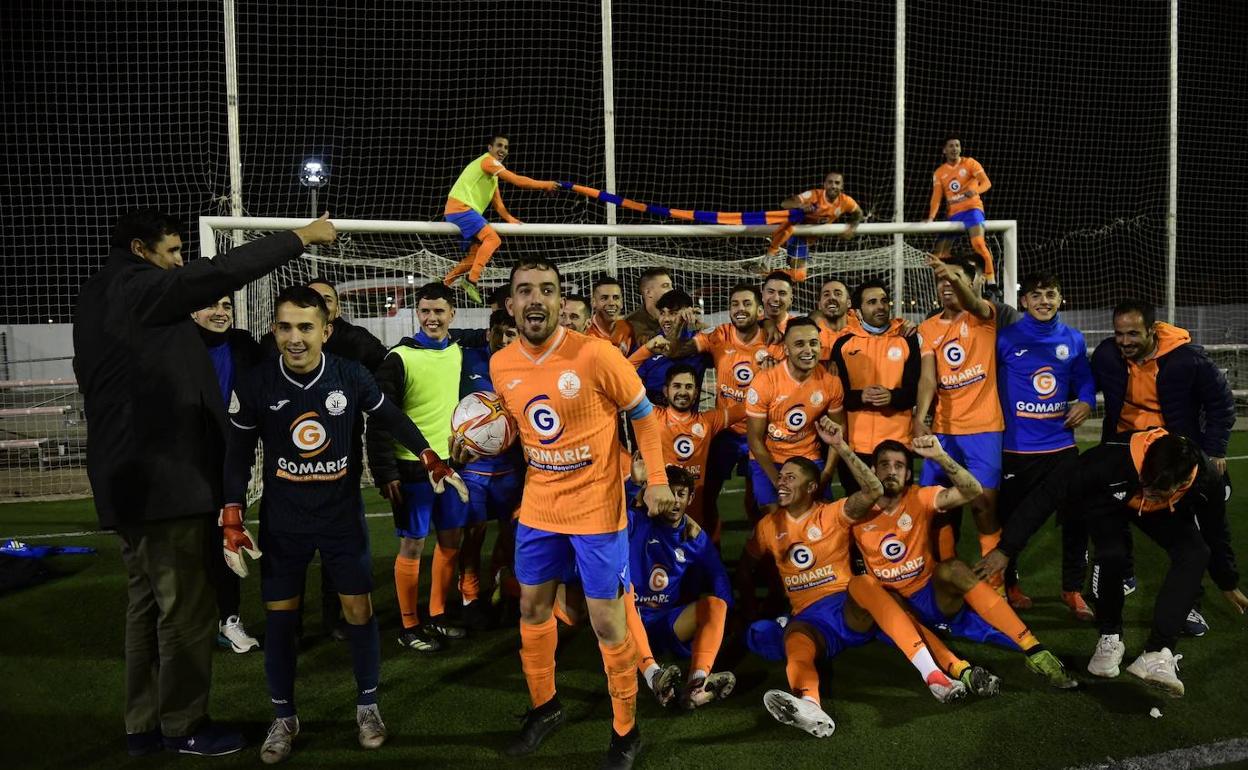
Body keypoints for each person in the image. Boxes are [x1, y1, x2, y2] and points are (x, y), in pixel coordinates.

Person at [73, 208, 335, 757]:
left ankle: (143, 726)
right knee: (188, 610)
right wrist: (300, 237)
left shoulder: (101, 296)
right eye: (171, 252)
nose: (178, 263)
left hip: (131, 482)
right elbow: (214, 275)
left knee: (146, 606)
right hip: (163, 483)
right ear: (143, 250)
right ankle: (184, 726)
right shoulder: (134, 287)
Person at [222, 286, 467, 762]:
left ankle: (368, 706)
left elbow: (392, 417)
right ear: (274, 330)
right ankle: (283, 716)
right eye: (286, 327)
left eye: (306, 327)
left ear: (325, 331)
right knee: (281, 619)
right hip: (284, 522)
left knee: (358, 613)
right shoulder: (254, 383)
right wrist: (231, 510)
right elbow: (236, 455)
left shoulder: (350, 375)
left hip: (340, 519)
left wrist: (429, 456)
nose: (295, 338)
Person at [490, 257, 675, 769]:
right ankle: (545, 707)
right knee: (531, 610)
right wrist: (473, 444)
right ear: (511, 305)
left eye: (546, 290)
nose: (535, 300)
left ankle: (625, 732)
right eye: (524, 291)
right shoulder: (501, 363)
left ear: (560, 302)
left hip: (597, 509)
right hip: (540, 507)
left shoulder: (594, 355)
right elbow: (514, 424)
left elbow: (643, 415)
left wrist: (656, 478)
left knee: (606, 624)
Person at [738, 425, 972, 739]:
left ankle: (934, 676)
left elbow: (874, 491)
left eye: (790, 477)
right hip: (809, 618)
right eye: (781, 477)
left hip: (848, 609)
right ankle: (809, 703)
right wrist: (751, 605)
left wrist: (841, 446)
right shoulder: (768, 526)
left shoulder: (834, 513)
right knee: (795, 641)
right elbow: (745, 565)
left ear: (811, 486)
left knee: (863, 584)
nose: (781, 482)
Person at [978, 428, 1246, 697]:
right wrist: (1006, 548)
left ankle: (1157, 653)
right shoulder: (1107, 460)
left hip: (1163, 510)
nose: (1150, 492)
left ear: (1183, 482)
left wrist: (1227, 581)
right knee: (1112, 554)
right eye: (1147, 482)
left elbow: (1216, 532)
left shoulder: (1206, 479)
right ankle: (1110, 636)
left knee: (1195, 552)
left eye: (1159, 490)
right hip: (1108, 499)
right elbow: (1048, 494)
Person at [852, 438, 1078, 689]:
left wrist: (941, 457)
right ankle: (960, 669)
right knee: (884, 597)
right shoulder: (854, 509)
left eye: (899, 466)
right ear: (872, 471)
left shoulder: (920, 497)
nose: (891, 470)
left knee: (954, 568)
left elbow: (972, 491)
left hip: (932, 596)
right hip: (894, 603)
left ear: (907, 475)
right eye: (884, 465)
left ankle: (1034, 649)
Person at [1091, 299, 1236, 636]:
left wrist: (1214, 450)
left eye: (1133, 334)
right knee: (1114, 516)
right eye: (1119, 334)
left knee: (1191, 535)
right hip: (1124, 452)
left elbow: (1221, 404)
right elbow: (1085, 382)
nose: (1124, 341)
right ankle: (1123, 576)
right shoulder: (1106, 355)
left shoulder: (1188, 360)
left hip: (1169, 458)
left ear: (1152, 331)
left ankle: (1189, 605)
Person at [366, 283, 474, 652]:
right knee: (412, 547)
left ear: (452, 314)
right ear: (417, 313)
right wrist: (386, 472)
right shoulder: (399, 358)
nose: (432, 318)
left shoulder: (459, 348)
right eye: (425, 311)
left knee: (450, 541)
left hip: (450, 464)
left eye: (439, 311)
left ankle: (438, 615)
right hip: (411, 467)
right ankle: (409, 625)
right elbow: (380, 419)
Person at [995, 273, 1096, 616]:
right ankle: (1010, 584)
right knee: (1011, 523)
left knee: (1077, 518)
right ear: (1024, 301)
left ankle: (1071, 589)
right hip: (1016, 450)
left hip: (1061, 447)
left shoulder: (1073, 339)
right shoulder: (1004, 339)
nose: (1044, 301)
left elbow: (1083, 378)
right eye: (1036, 295)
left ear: (1060, 298)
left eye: (1050, 294)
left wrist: (1086, 401)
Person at [913, 255, 1005, 577]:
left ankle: (995, 583)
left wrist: (953, 277)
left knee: (983, 506)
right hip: (943, 430)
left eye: (953, 279)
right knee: (935, 508)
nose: (946, 286)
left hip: (984, 429)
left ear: (970, 282)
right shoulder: (927, 327)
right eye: (941, 281)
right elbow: (928, 377)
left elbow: (974, 303)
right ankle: (943, 578)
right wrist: (920, 415)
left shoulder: (984, 316)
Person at [627, 465, 735, 709]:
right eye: (670, 493)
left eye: (681, 494)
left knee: (716, 605)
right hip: (628, 620)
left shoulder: (694, 535)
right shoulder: (637, 521)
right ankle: (652, 674)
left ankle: (697, 684)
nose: (675, 501)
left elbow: (718, 576)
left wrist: (731, 613)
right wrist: (634, 484)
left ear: (691, 497)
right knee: (619, 592)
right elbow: (612, 513)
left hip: (667, 622)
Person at [191, 295, 263, 654]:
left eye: (226, 305)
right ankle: (186, 623)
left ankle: (230, 620)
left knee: (228, 540)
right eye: (211, 305)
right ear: (192, 311)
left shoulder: (243, 344)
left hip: (230, 460)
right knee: (187, 545)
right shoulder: (177, 344)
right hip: (185, 461)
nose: (220, 312)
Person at [448, 309, 525, 631]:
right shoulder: (467, 360)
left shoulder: (526, 365)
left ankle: (501, 584)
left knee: (511, 534)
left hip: (512, 470)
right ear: (489, 332)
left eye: (512, 334)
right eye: (501, 333)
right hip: (474, 469)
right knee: (474, 532)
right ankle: (469, 596)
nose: (506, 340)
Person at [829, 279, 920, 495]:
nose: (880, 306)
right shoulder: (843, 344)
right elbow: (835, 394)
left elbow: (915, 390)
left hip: (897, 445)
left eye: (883, 301)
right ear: (858, 311)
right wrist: (861, 397)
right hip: (855, 446)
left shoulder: (907, 339)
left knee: (895, 513)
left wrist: (892, 397)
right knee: (857, 512)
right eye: (871, 302)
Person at [441, 133, 558, 302]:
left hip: (463, 211)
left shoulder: (492, 174)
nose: (503, 150)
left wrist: (510, 220)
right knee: (493, 239)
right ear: (490, 148)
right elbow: (518, 181)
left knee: (475, 255)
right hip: (461, 208)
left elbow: (498, 203)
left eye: (506, 147)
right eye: (499, 146)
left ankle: (445, 283)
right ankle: (471, 281)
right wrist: (546, 184)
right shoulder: (488, 161)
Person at [746, 318, 844, 517]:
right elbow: (754, 440)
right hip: (771, 457)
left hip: (808, 457)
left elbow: (840, 431)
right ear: (786, 349)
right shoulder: (765, 381)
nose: (808, 350)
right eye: (799, 344)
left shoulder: (831, 381)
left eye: (813, 343)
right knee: (773, 516)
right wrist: (778, 480)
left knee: (822, 515)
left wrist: (825, 474)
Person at [654, 364, 744, 532]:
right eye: (677, 386)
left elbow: (751, 405)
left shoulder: (708, 421)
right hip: (660, 513)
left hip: (696, 517)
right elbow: (623, 386)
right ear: (666, 391)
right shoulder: (653, 417)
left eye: (689, 387)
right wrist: (645, 350)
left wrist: (769, 375)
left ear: (696, 393)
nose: (682, 392)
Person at [765, 171, 864, 281]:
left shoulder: (845, 201)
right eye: (830, 182)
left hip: (808, 241)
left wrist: (852, 226)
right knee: (799, 274)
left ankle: (765, 272)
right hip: (795, 234)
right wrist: (801, 206)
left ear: (842, 186)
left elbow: (859, 213)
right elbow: (785, 203)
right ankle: (766, 269)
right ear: (825, 184)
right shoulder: (813, 195)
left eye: (837, 183)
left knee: (797, 276)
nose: (833, 186)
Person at [924, 134, 996, 285]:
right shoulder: (939, 172)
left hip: (972, 211)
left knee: (978, 244)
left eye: (957, 145)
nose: (954, 149)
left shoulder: (970, 163)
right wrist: (931, 217)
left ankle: (991, 283)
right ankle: (943, 285)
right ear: (944, 150)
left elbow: (986, 183)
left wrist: (975, 191)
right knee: (940, 253)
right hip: (954, 215)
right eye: (951, 146)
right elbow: (936, 197)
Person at [633, 289, 712, 406]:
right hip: (651, 416)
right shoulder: (649, 344)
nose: (666, 319)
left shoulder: (701, 343)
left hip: (686, 420)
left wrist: (704, 326)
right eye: (662, 313)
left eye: (673, 313)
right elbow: (633, 384)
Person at [587, 276, 637, 355]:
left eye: (616, 298)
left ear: (621, 302)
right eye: (604, 298)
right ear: (593, 302)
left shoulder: (627, 328)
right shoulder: (586, 333)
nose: (611, 303)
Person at [624, 267, 673, 344]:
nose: (672, 290)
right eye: (665, 286)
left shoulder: (679, 313)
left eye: (671, 286)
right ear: (648, 292)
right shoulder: (630, 324)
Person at [809, 278, 852, 361]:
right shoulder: (810, 333)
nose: (831, 297)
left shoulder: (862, 326)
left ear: (848, 303)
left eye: (838, 294)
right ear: (819, 305)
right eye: (826, 294)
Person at [760, 271, 795, 344]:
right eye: (771, 292)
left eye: (782, 293)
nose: (776, 298)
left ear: (791, 299)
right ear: (762, 295)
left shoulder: (798, 327)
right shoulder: (751, 325)